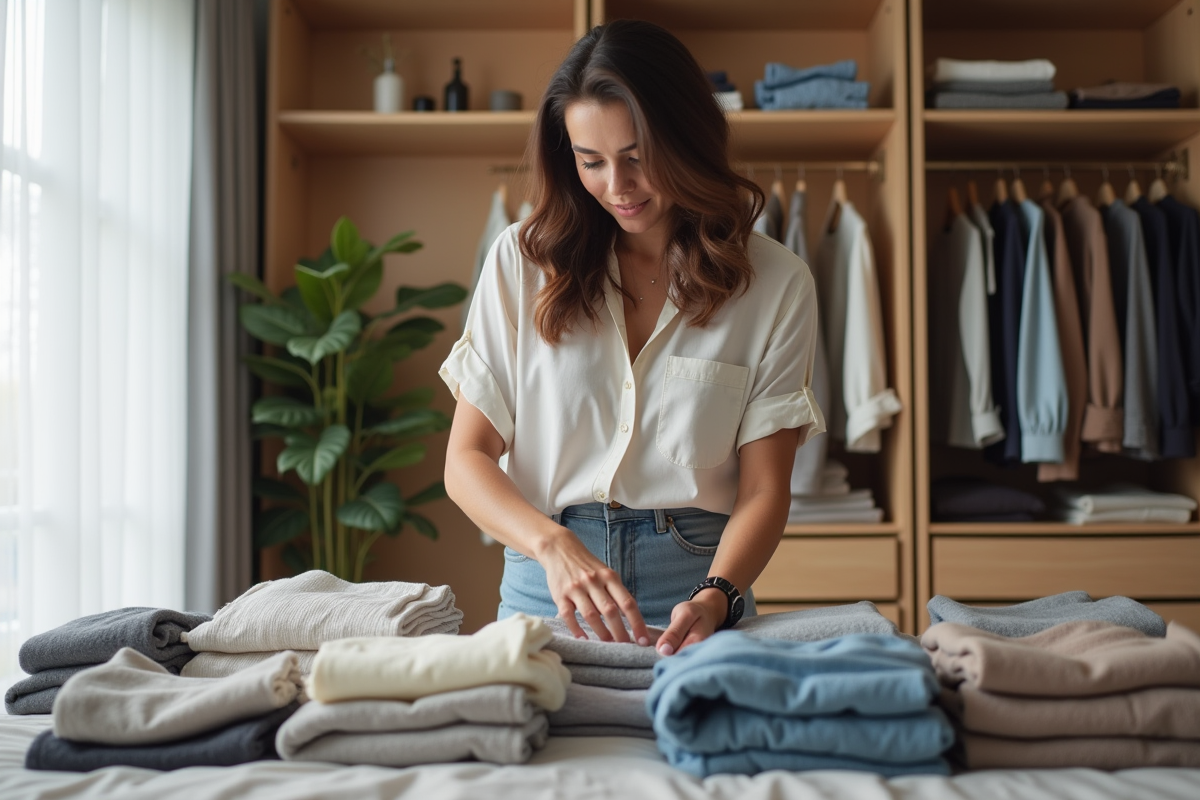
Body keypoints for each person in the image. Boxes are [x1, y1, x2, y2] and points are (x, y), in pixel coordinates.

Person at [440, 19, 823, 656]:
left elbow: (764, 487)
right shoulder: (521, 261)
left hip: (698, 588)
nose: (617, 187)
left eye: (638, 160)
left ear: (686, 141)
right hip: (548, 585)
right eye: (591, 162)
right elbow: (466, 460)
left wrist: (717, 595)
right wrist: (551, 544)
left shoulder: (777, 282)